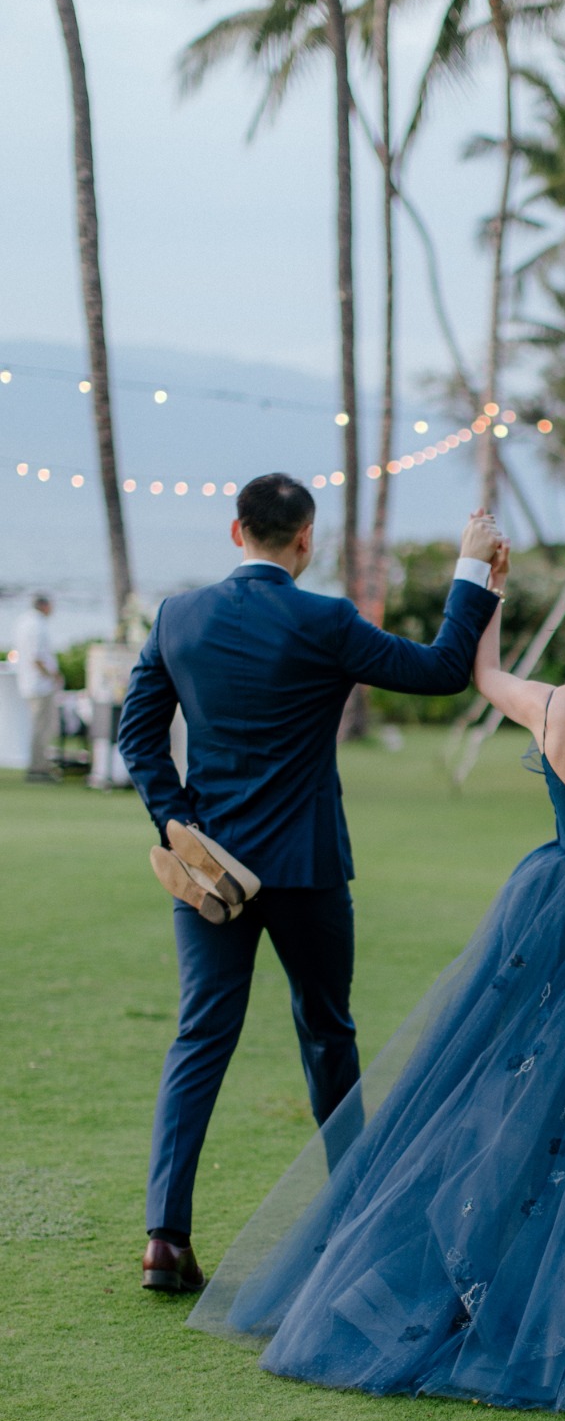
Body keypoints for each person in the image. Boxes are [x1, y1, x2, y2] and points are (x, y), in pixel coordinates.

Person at [188, 552, 565, 1415]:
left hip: (554, 908)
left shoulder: (551, 704)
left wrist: (483, 579)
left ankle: (483, 1251)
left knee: (510, 1079)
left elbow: (481, 672)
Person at [117, 474, 502, 1296]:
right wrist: (471, 572)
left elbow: (137, 731)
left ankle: (164, 1238)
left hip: (211, 870)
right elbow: (440, 671)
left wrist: (176, 821)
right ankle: (354, 1217)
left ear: (236, 533)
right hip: (308, 868)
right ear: (305, 541)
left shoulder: (178, 616)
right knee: (327, 1033)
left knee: (199, 1039)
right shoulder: (324, 619)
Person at [14, 593, 62, 782]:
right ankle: (38, 767)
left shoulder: (24, 621)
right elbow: (37, 657)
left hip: (29, 682)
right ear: (44, 605)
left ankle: (39, 765)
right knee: (41, 727)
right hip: (39, 685)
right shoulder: (36, 625)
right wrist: (53, 675)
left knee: (39, 726)